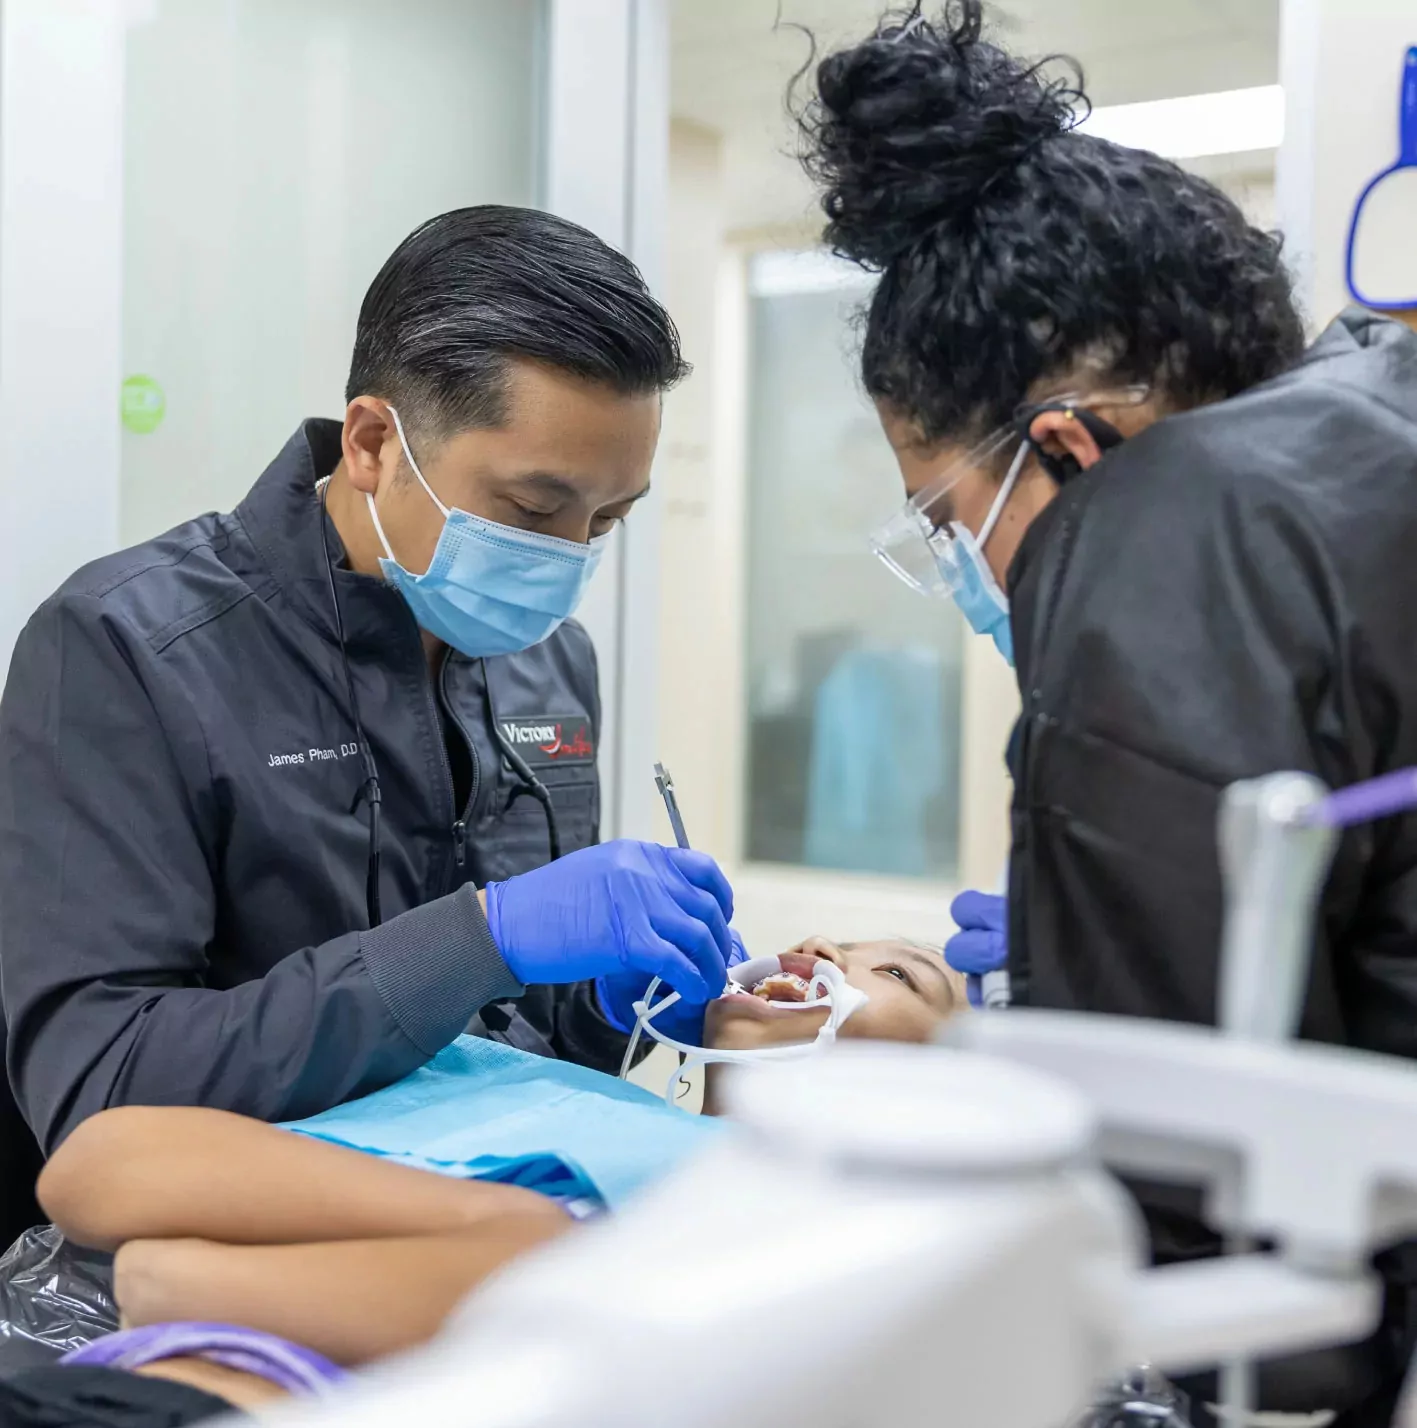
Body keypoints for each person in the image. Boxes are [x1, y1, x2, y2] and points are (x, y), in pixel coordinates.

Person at [796, 2, 1417, 1420]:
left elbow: (1188, 1217)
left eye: (948, 519)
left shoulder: (1161, 529)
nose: (966, 568)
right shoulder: (1377, 407)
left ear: (1066, 449)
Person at [0, 206, 739, 1242]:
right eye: (534, 511)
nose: (569, 565)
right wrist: (479, 940)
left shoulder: (548, 663)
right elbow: (100, 1089)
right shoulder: (126, 650)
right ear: (372, 442)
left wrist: (619, 1002)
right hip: (234, 1275)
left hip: (497, 1249)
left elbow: (533, 1045)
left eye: (608, 520)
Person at [0, 939, 962, 1424]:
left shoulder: (804, 1233)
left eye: (905, 974)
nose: (831, 950)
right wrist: (495, 1221)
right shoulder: (492, 1070)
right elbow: (94, 1170)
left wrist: (188, 1274)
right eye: (837, 937)